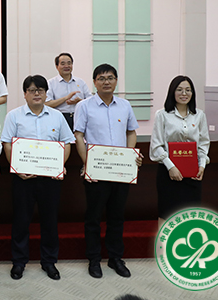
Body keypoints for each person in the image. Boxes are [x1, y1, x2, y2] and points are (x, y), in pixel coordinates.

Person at [1, 75, 74, 281]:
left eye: (40, 90)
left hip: (50, 179)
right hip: (23, 179)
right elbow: (7, 144)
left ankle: (49, 262)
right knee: (21, 221)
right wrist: (16, 168)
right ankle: (19, 262)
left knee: (49, 221)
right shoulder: (14, 116)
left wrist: (59, 165)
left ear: (46, 93)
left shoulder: (56, 116)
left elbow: (66, 143)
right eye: (32, 90)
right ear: (25, 94)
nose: (36, 94)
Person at [74, 64, 143, 279]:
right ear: (94, 82)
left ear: (116, 81)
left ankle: (115, 258)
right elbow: (79, 136)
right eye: (102, 78)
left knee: (117, 217)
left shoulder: (124, 105)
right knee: (93, 218)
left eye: (110, 78)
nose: (106, 82)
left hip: (120, 172)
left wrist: (130, 156)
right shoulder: (84, 106)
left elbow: (131, 132)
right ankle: (94, 259)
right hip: (96, 171)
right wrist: (87, 164)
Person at [150, 75, 210, 224]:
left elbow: (203, 143)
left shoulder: (199, 115)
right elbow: (156, 145)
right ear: (172, 92)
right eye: (180, 90)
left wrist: (202, 165)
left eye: (188, 90)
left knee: (191, 215)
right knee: (167, 213)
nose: (184, 93)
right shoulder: (162, 115)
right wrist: (171, 167)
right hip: (168, 173)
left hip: (193, 173)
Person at [45, 52, 92, 130]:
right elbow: (47, 104)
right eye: (63, 64)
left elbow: (91, 102)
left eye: (69, 63)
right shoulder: (51, 83)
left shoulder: (80, 82)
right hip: (59, 118)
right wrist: (65, 98)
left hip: (79, 117)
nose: (66, 66)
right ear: (57, 66)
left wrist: (80, 101)